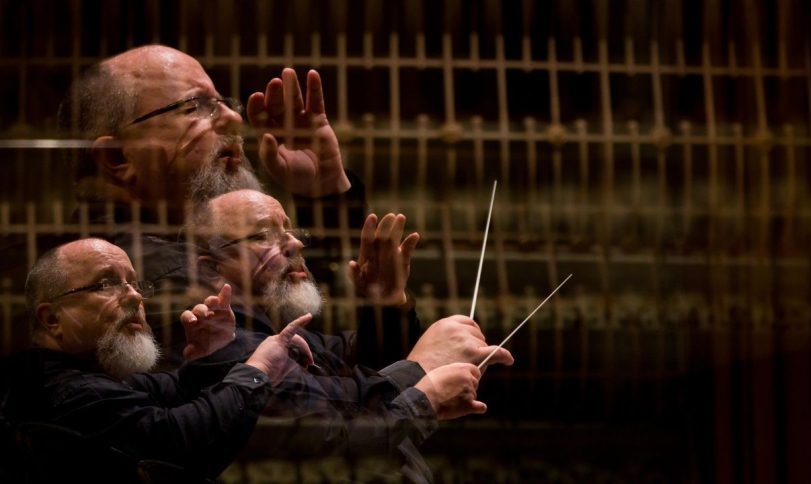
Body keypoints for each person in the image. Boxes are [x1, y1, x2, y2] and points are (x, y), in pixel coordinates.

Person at [55, 44, 408, 367]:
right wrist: (420, 382)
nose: (235, 120)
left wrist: (324, 193)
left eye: (224, 103)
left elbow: (328, 344)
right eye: (195, 107)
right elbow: (325, 383)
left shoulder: (182, 246)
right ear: (117, 157)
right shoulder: (154, 273)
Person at [185, 189, 514, 481]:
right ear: (212, 269)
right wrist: (421, 370)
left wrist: (387, 302)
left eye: (290, 230)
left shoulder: (295, 336)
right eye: (262, 235)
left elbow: (363, 369)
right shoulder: (225, 346)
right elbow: (331, 431)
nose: (295, 243)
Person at [0, 238, 305, 480]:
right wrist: (259, 369)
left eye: (134, 283)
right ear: (52, 317)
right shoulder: (64, 392)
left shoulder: (83, 374)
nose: (134, 297)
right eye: (105, 284)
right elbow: (174, 440)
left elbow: (174, 389)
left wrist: (216, 354)